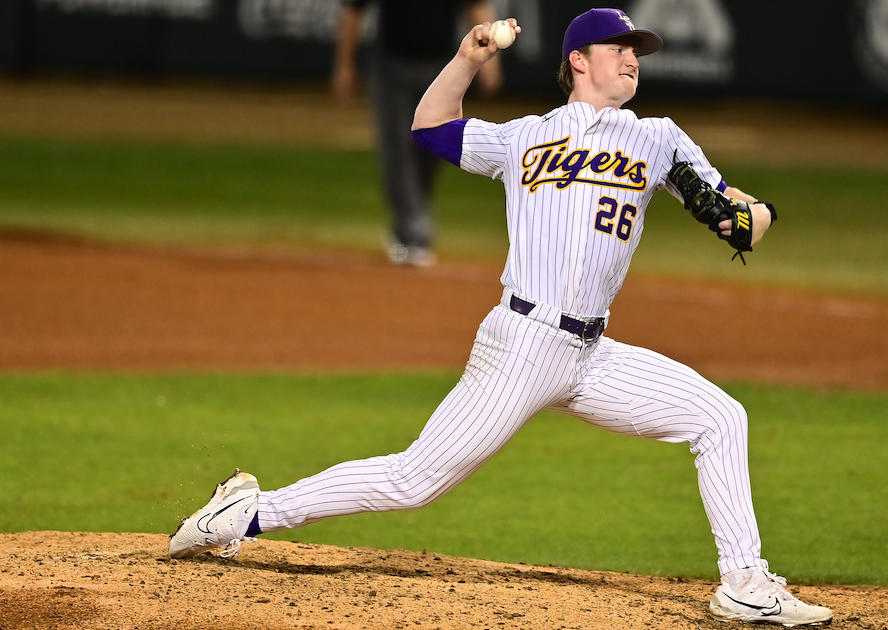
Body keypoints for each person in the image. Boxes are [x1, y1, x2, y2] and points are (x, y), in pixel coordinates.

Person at [169, 8, 832, 627]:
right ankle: (247, 514)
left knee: (720, 417)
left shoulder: (659, 139)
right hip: (521, 342)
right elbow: (429, 129)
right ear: (579, 61)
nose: (632, 60)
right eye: (619, 49)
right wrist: (467, 57)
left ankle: (743, 581)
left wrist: (750, 214)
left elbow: (737, 218)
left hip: (591, 356)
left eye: (638, 51)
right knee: (414, 479)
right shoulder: (524, 137)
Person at [333, 0, 503, 268]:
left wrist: (491, 64)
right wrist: (344, 65)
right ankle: (414, 234)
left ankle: (408, 224)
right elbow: (354, 11)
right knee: (397, 148)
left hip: (440, 66)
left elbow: (476, 7)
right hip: (390, 66)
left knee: (431, 146)